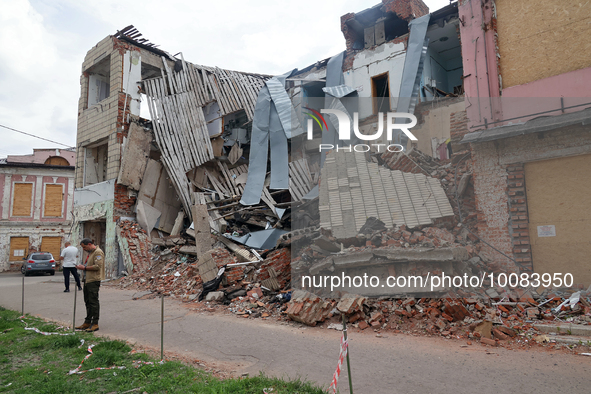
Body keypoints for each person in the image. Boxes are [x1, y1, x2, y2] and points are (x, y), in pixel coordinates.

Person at [75, 238, 105, 332]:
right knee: (87, 301)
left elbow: (98, 266)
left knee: (93, 302)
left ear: (89, 244)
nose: (84, 249)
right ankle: (87, 322)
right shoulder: (91, 253)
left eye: (84, 247)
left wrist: (84, 268)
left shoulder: (98, 252)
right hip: (88, 280)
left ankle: (95, 323)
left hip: (94, 280)